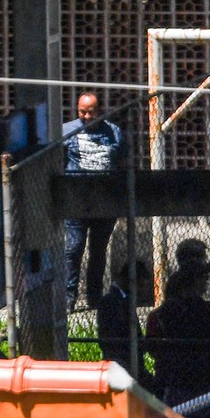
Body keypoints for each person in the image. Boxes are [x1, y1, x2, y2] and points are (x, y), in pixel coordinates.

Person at [146, 263, 210, 418]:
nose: (206, 283)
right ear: (191, 283)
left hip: (177, 381)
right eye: (202, 279)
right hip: (207, 382)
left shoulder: (163, 313)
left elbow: (153, 347)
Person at [63, 92, 125, 311]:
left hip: (104, 203)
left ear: (100, 111)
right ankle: (69, 297)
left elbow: (122, 163)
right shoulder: (67, 131)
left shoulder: (114, 133)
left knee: (98, 253)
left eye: (91, 112)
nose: (86, 116)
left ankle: (94, 298)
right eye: (82, 111)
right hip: (76, 203)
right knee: (73, 249)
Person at [96, 260, 151, 373]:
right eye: (140, 285)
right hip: (121, 363)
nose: (141, 291)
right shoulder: (111, 301)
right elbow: (111, 335)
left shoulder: (125, 300)